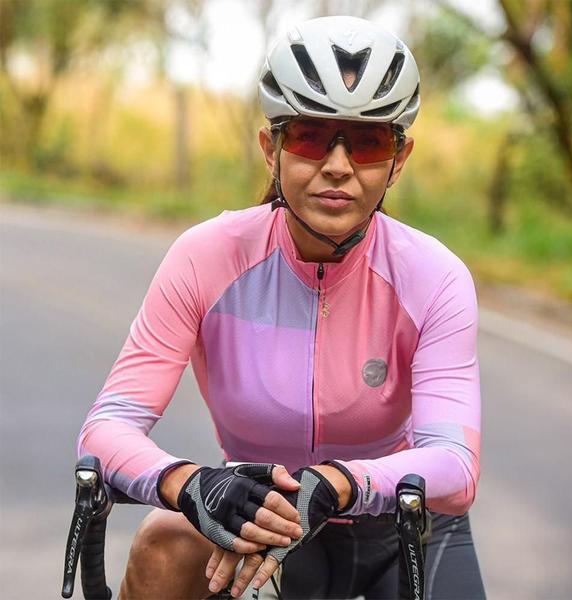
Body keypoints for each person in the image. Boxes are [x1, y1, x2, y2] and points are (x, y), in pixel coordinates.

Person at [78, 15, 486, 599]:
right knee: (163, 545)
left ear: (399, 159)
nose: (338, 166)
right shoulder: (205, 257)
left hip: (397, 531)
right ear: (272, 148)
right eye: (312, 137)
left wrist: (340, 483)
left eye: (367, 142)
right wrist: (193, 485)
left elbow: (454, 466)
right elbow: (104, 432)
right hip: (254, 526)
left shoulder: (434, 276)